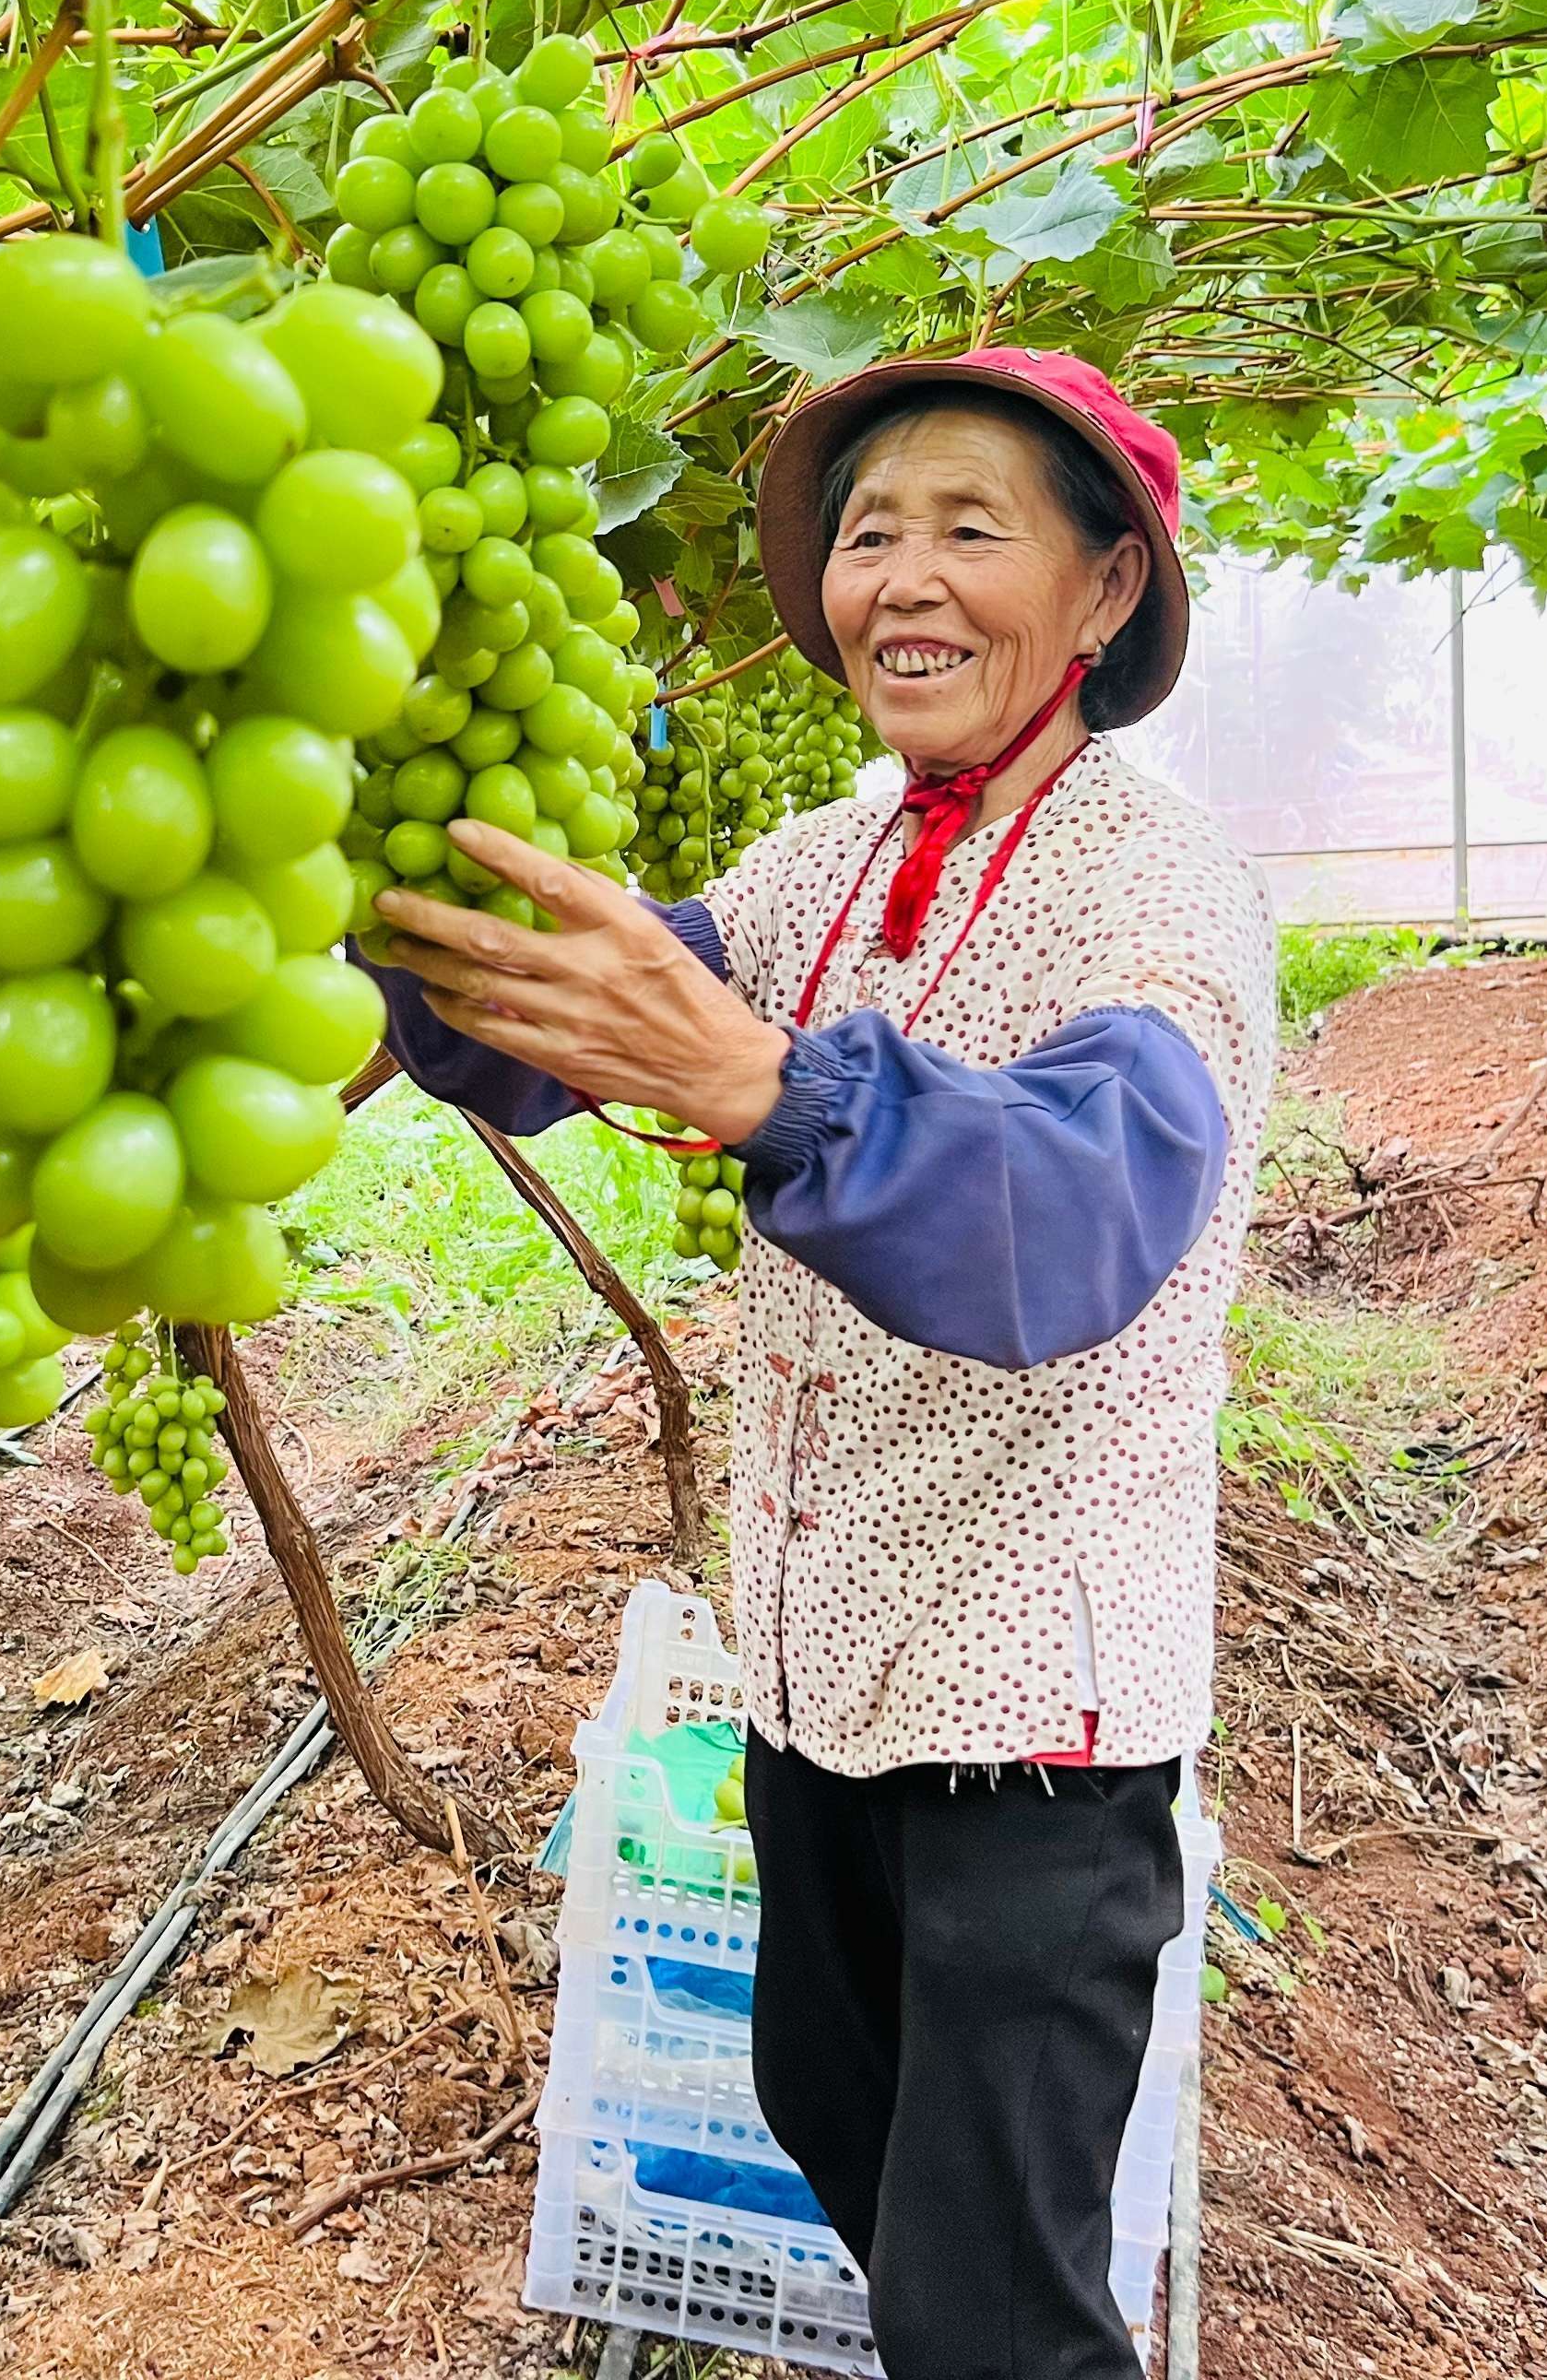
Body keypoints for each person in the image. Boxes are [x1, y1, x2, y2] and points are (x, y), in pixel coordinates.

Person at [362, 348, 1276, 2380]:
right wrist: (400, 879)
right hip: (824, 1683)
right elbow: (569, 1029)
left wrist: (768, 1083)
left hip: (1032, 1741)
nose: (904, 580)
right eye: (872, 534)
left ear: (1107, 595)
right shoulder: (833, 862)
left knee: (997, 2311)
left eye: (972, 529)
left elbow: (1075, 1220)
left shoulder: (1162, 893)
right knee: (840, 2130)